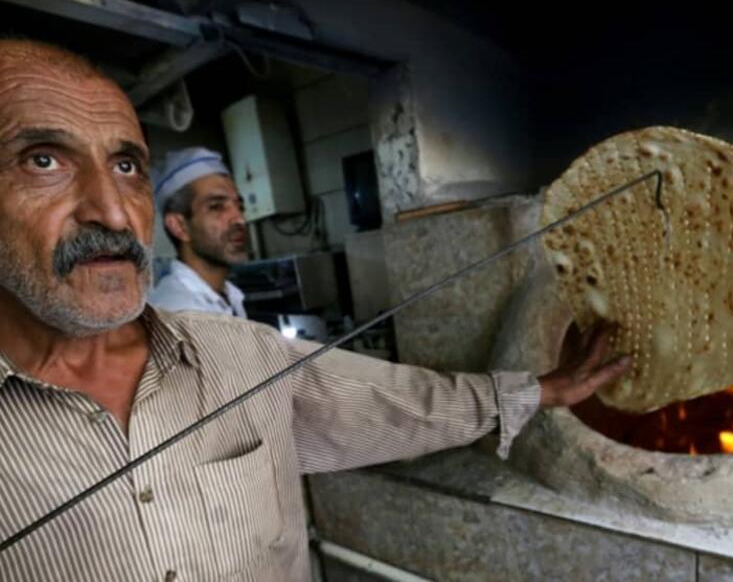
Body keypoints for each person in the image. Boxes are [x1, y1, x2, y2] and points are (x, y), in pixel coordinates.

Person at [0, 40, 631, 581]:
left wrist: (541, 390)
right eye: (44, 160)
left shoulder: (238, 354)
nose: (111, 213)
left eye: (127, 165)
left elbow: (402, 401)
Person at [148, 147, 248, 317]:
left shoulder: (229, 294)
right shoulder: (180, 312)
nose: (239, 220)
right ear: (179, 226)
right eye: (216, 207)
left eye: (240, 206)